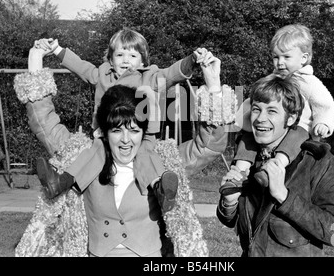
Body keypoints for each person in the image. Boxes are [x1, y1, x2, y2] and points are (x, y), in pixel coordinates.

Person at [14, 44, 235, 257]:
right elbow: (44, 122)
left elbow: (210, 144)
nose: (126, 141)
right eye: (117, 131)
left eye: (135, 130)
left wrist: (213, 83)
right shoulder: (81, 155)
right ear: (104, 131)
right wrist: (35, 59)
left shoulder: (165, 162)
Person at [34, 29, 210, 215]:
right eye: (120, 54)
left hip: (142, 135)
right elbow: (80, 66)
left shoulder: (150, 77)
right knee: (92, 154)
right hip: (106, 134)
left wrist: (192, 60)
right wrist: (56, 49)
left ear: (142, 60)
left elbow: (172, 74)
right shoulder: (102, 74)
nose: (126, 60)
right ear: (111, 59)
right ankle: (62, 182)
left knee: (146, 157)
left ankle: (160, 190)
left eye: (133, 55)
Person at [216, 73, 334, 257]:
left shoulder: (318, 162)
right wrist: (229, 202)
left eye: (271, 111)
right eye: (256, 109)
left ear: (291, 118)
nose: (260, 118)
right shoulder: (247, 159)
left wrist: (283, 196)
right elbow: (231, 220)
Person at [223, 23, 334, 193]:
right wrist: (242, 117)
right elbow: (253, 100)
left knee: (296, 135)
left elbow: (326, 105)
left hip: (298, 127)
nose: (280, 63)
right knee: (248, 137)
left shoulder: (308, 82)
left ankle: (273, 168)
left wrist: (323, 124)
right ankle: (239, 173)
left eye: (286, 57)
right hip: (272, 128)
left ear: (303, 58)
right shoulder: (271, 80)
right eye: (276, 57)